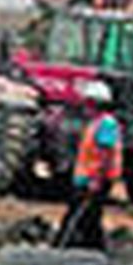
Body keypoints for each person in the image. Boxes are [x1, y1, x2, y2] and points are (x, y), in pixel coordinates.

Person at [53, 81, 121, 253]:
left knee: (79, 215)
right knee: (89, 218)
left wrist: (96, 180)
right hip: (85, 178)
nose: (84, 106)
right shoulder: (94, 123)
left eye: (87, 102)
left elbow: (106, 153)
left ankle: (61, 247)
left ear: (94, 103)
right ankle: (94, 249)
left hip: (94, 179)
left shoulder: (107, 124)